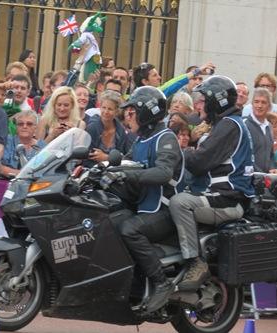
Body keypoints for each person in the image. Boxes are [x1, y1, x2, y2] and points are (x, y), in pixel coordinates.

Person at [101, 86, 183, 313]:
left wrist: (126, 174)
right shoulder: (140, 141)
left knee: (129, 230)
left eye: (132, 112)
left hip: (164, 211)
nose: (127, 116)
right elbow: (123, 164)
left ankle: (161, 282)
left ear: (146, 113)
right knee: (109, 222)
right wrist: (99, 171)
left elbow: (163, 173)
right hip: (144, 208)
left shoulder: (166, 138)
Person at [169, 76, 255, 292]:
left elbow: (199, 163)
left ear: (218, 101)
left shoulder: (229, 126)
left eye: (204, 100)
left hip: (227, 198)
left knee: (180, 203)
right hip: (216, 195)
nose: (199, 104)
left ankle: (195, 262)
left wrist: (179, 152)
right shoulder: (222, 125)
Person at [86, 90, 130, 165]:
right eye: (103, 107)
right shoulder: (92, 127)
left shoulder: (121, 132)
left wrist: (106, 157)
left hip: (114, 171)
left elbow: (126, 157)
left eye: (110, 109)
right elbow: (87, 157)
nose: (106, 112)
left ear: (116, 111)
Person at [0, 110, 45, 178]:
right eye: (20, 124)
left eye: (29, 124)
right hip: (6, 181)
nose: (24, 126)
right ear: (16, 127)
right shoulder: (7, 141)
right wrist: (22, 174)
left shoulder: (42, 146)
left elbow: (45, 170)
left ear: (35, 127)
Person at [244, 87, 274, 173]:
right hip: (249, 179)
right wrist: (260, 174)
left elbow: (270, 154)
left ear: (269, 106)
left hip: (265, 180)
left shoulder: (270, 127)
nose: (259, 106)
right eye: (256, 102)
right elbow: (244, 156)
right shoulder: (244, 125)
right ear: (252, 104)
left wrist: (272, 168)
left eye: (263, 102)